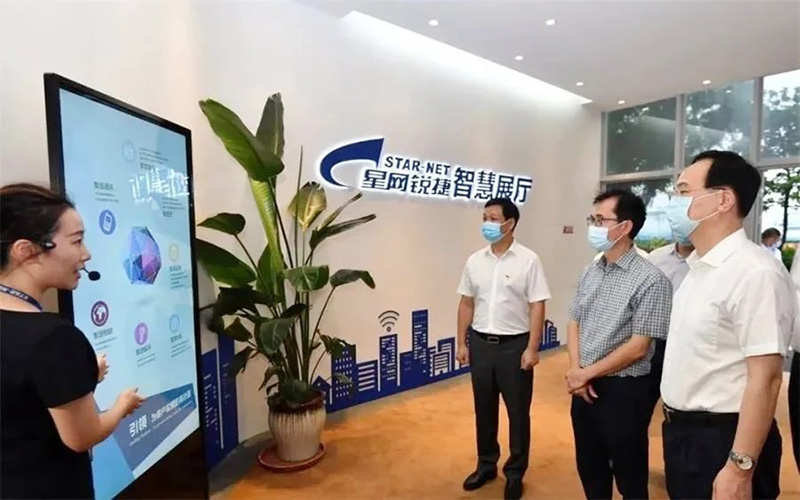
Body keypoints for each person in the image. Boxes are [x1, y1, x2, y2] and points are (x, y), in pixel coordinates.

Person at [661, 151, 796, 500]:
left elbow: (766, 378)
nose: (673, 201)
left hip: (724, 438)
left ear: (722, 200)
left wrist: (739, 467)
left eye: (683, 191)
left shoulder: (755, 272)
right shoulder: (698, 269)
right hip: (682, 434)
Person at [0, 183, 145, 499]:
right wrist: (122, 405)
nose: (86, 254)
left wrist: (82, 376)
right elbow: (83, 436)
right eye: (77, 241)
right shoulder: (53, 337)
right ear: (27, 250)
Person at [566, 189, 673, 500]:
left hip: (623, 390)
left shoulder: (651, 279)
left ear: (625, 227)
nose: (593, 227)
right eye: (592, 219)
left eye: (600, 220)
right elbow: (574, 321)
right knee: (590, 466)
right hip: (583, 386)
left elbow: (639, 346)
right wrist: (575, 370)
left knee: (629, 474)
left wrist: (585, 374)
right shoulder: (590, 270)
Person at [457, 197, 551, 500]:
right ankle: (486, 464)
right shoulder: (475, 261)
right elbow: (466, 303)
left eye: (493, 218)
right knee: (484, 409)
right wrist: (462, 342)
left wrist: (532, 347)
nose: (487, 223)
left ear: (510, 223)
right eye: (484, 217)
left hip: (515, 347)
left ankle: (515, 473)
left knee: (518, 413)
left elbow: (537, 306)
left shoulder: (529, 260)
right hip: (481, 345)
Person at [646, 238, 694, 419]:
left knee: (682, 405)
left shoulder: (707, 261)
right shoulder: (656, 258)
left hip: (689, 345)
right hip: (655, 342)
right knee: (643, 400)